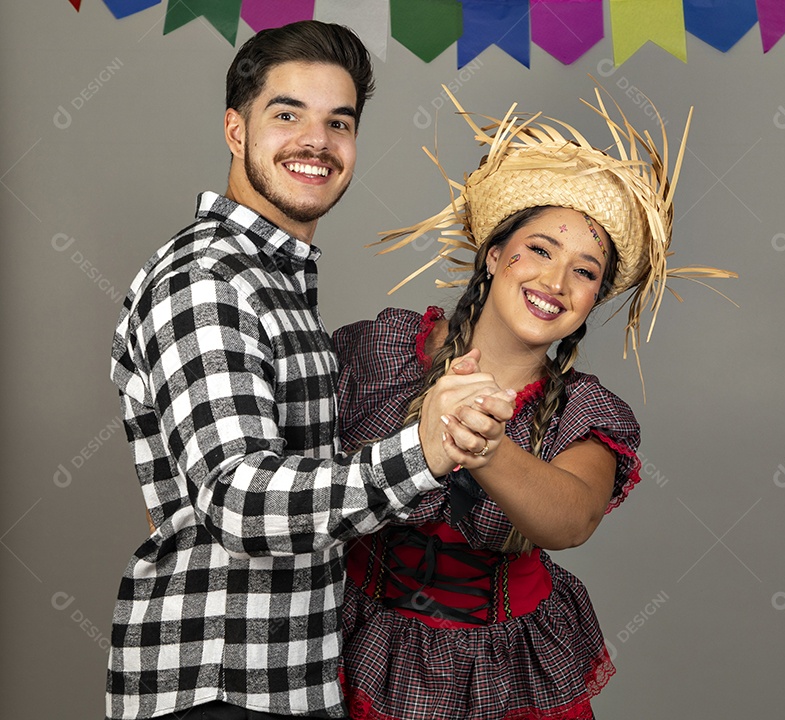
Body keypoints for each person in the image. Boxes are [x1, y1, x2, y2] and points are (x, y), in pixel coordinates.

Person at [107, 22, 513, 720]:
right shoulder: (207, 280)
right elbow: (238, 498)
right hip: (218, 682)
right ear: (235, 129)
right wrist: (423, 450)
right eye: (287, 114)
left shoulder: (274, 281)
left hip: (288, 681)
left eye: (338, 123)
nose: (316, 142)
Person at [332, 88, 736, 719]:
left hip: (501, 669)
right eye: (542, 250)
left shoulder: (585, 411)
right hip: (352, 642)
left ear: (595, 297)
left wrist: (483, 445)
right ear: (495, 255)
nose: (555, 282)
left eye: (585, 271)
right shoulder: (383, 348)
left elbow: (572, 519)